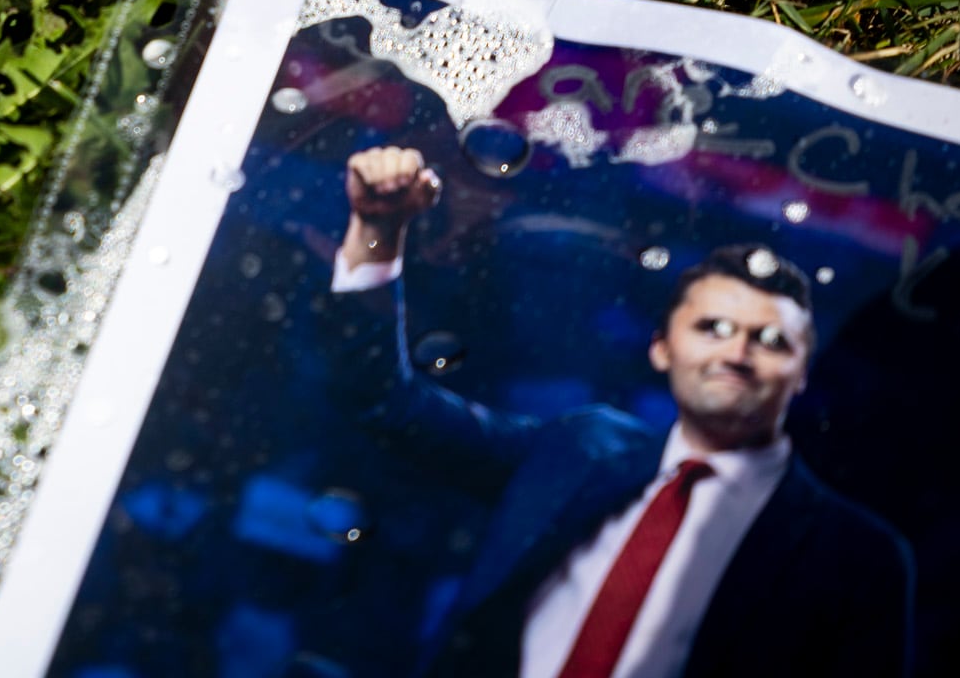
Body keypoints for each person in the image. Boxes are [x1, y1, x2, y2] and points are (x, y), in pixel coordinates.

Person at [330, 145, 912, 678]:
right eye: (713, 328)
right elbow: (387, 402)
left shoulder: (856, 557)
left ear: (802, 369)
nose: (737, 352)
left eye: (770, 339)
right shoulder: (578, 451)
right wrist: (379, 231)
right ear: (662, 347)